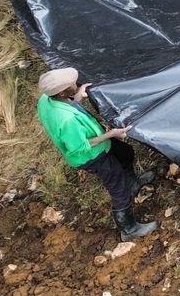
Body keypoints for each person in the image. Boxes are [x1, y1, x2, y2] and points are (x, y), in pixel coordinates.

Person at [35, 67, 159, 240]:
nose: (75, 83)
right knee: (119, 189)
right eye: (72, 84)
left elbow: (67, 109)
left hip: (97, 142)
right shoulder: (66, 120)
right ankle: (128, 230)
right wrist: (111, 134)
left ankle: (133, 184)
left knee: (125, 153)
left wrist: (77, 98)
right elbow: (80, 147)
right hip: (93, 156)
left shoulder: (46, 99)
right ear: (63, 92)